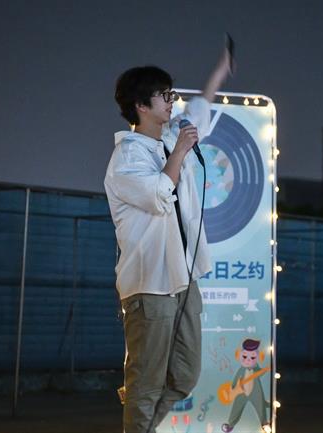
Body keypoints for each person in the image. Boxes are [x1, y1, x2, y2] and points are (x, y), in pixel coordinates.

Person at [104, 46, 233, 433]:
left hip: (183, 278)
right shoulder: (127, 157)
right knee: (146, 384)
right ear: (141, 105)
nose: (172, 101)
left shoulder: (170, 138)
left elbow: (200, 110)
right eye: (164, 95)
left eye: (171, 93)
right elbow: (160, 194)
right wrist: (178, 151)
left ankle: (139, 421)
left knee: (184, 376)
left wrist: (220, 70)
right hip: (150, 284)